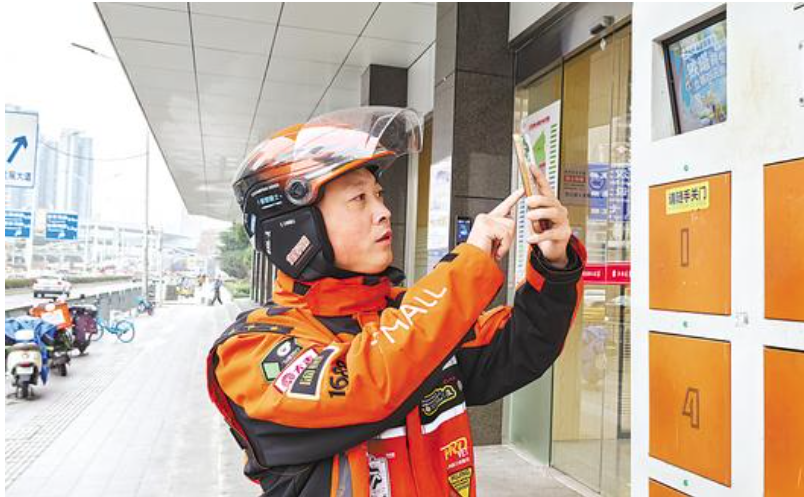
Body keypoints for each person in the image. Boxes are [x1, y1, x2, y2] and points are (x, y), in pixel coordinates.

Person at [206, 107, 585, 496]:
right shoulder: (249, 351)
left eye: (379, 195)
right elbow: (369, 383)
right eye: (359, 198)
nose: (383, 212)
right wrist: (468, 265)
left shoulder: (410, 316)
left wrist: (554, 265)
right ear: (295, 226)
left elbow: (521, 344)